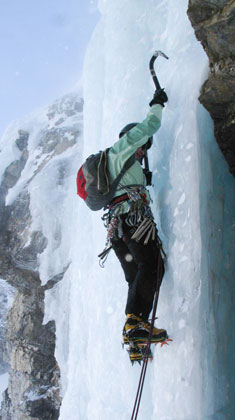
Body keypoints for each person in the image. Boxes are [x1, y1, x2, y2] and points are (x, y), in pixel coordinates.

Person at [102, 89, 169, 361]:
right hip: (133, 221)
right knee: (153, 266)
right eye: (143, 145)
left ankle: (135, 340)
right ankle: (135, 326)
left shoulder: (117, 167)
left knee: (136, 276)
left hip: (117, 229)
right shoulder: (124, 148)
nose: (143, 151)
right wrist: (157, 104)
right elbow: (150, 125)